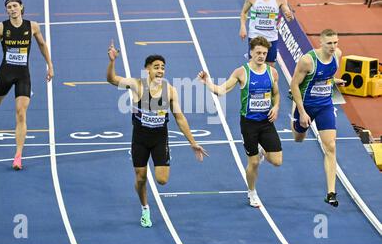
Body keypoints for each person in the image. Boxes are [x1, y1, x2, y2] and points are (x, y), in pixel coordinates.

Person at [106, 41, 208, 228]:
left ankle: (151, 173)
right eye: (156, 67)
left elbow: (180, 118)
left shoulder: (170, 90)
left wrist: (193, 142)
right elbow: (112, 79)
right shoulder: (137, 85)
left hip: (160, 138)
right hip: (140, 138)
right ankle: (145, 208)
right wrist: (112, 61)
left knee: (162, 180)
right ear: (147, 70)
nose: (160, 71)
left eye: (162, 68)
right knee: (140, 178)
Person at [198, 36, 282, 208]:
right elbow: (221, 91)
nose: (261, 56)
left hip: (266, 122)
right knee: (254, 163)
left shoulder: (272, 72)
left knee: (277, 161)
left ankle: (261, 149)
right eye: (258, 52)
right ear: (251, 52)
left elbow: (276, 94)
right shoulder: (241, 72)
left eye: (264, 53)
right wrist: (207, 82)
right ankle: (252, 192)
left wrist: (276, 107)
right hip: (249, 124)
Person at [0, 0, 54, 170]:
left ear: (22, 7)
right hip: (5, 74)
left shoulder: (32, 26)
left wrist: (50, 65)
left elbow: (43, 45)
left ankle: (18, 156)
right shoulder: (1, 27)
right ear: (6, 10)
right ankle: (1, 92)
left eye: (15, 6)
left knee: (21, 113)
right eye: (8, 7)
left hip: (23, 75)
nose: (12, 9)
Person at [290, 29, 345, 207]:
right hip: (306, 106)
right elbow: (294, 84)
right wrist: (302, 111)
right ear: (320, 42)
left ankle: (330, 193)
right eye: (329, 43)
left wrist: (334, 81)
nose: (333, 46)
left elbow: (329, 76)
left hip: (325, 106)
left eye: (335, 42)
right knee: (299, 138)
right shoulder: (307, 61)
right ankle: (294, 112)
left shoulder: (338, 55)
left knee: (330, 146)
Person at [239, 0, 293, 67]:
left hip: (271, 37)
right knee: (253, 66)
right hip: (255, 36)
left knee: (270, 68)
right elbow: (244, 12)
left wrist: (289, 16)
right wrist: (242, 27)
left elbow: (288, 15)